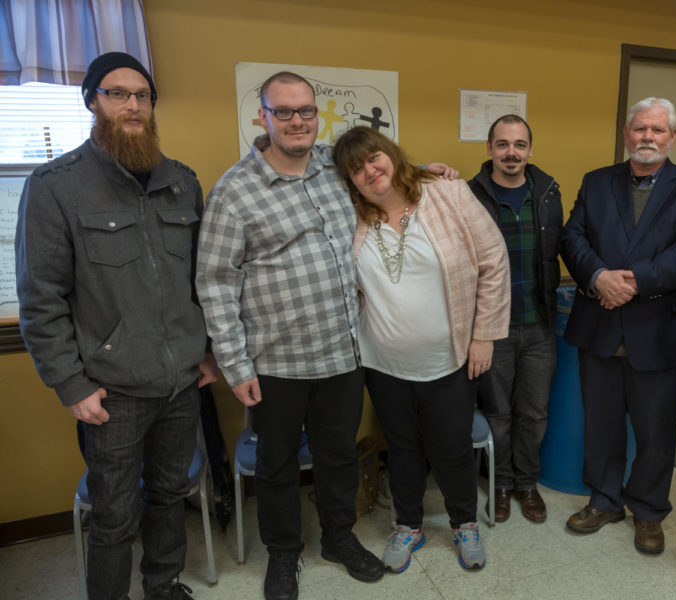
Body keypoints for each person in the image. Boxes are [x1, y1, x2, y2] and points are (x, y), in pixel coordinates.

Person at [195, 72, 454, 600]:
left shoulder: (335, 170)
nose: (297, 121)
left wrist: (430, 172)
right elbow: (216, 283)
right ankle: (283, 556)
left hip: (342, 352)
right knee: (277, 465)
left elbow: (382, 177)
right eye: (284, 111)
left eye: (306, 111)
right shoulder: (234, 191)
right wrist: (236, 364)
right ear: (261, 117)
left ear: (318, 116)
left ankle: (338, 539)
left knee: (337, 457)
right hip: (275, 361)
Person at [15, 52, 216, 600]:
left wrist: (207, 351)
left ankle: (163, 582)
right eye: (117, 93)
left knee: (171, 495)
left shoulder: (181, 182)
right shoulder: (56, 186)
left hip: (181, 382)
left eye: (142, 95)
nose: (132, 104)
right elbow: (41, 298)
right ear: (92, 102)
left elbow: (202, 281)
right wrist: (71, 386)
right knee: (114, 513)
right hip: (112, 390)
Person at [332, 126, 510, 573]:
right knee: (403, 448)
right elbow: (300, 156)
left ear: (391, 154)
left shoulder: (446, 193)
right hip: (382, 362)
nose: (369, 171)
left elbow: (493, 261)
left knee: (451, 448)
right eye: (356, 168)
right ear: (347, 180)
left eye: (374, 158)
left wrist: (483, 334)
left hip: (447, 359)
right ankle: (407, 525)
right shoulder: (349, 217)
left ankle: (464, 523)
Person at [559, 97, 676, 554]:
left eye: (657, 130)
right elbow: (572, 236)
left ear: (672, 137)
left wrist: (634, 280)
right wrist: (597, 276)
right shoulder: (596, 182)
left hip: (661, 333)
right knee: (602, 425)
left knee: (655, 433)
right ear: (626, 133)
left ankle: (648, 511)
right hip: (601, 327)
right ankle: (605, 500)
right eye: (639, 129)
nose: (647, 137)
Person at [467, 114, 562, 523]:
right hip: (492, 329)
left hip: (539, 324)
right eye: (502, 144)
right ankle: (500, 484)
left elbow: (567, 244)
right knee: (498, 413)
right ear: (489, 149)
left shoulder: (547, 192)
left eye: (519, 144)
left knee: (534, 413)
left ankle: (527, 484)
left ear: (530, 150)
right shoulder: (468, 194)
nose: (511, 152)